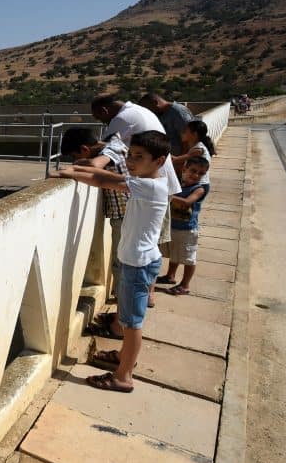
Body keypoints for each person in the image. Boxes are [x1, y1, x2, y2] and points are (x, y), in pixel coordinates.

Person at [51, 131, 172, 392]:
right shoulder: (149, 181)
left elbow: (102, 178)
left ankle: (123, 376)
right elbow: (111, 177)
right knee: (129, 321)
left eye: (139, 157)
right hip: (139, 261)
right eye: (130, 155)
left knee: (132, 324)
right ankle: (123, 358)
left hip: (138, 264)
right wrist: (74, 171)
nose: (131, 161)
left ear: (159, 161)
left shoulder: (150, 186)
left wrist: (68, 173)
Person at [91, 94, 181, 307]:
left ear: (104, 111)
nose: (103, 123)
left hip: (148, 186)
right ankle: (146, 295)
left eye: (100, 119)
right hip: (161, 184)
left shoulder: (121, 120)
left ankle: (131, 304)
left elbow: (104, 154)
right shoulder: (139, 111)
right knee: (153, 242)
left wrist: (78, 165)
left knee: (139, 249)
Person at [60, 128, 129, 299]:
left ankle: (122, 311)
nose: (75, 161)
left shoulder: (109, 151)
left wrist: (73, 168)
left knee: (121, 263)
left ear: (84, 150)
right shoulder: (115, 142)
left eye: (76, 156)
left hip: (123, 216)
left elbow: (94, 166)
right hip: (126, 213)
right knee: (124, 262)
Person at [158, 157, 210, 295]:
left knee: (188, 258)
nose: (196, 175)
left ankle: (185, 285)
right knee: (175, 254)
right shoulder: (178, 184)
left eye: (201, 173)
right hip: (173, 226)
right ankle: (170, 276)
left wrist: (167, 195)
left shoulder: (199, 189)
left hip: (188, 230)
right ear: (184, 168)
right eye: (193, 171)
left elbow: (187, 202)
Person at [169, 120, 216, 191]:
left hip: (199, 185)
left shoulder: (198, 150)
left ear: (194, 135)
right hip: (195, 183)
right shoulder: (195, 147)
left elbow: (175, 160)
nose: (182, 133)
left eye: (185, 131)